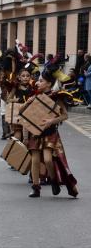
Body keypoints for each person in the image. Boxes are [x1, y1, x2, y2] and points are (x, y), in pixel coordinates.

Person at [26, 68, 78, 198]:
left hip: (50, 133)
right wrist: (27, 104)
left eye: (41, 81)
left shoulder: (56, 97)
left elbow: (65, 116)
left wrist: (52, 121)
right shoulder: (34, 96)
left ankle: (54, 180)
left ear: (49, 84)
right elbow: (25, 116)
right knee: (35, 160)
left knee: (48, 160)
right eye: (38, 80)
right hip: (35, 133)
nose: (37, 83)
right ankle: (36, 187)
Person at [6, 69, 34, 142]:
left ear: (30, 77)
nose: (25, 78)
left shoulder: (33, 87)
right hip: (18, 111)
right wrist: (17, 100)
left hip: (29, 111)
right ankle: (16, 150)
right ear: (19, 77)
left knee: (29, 135)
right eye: (23, 76)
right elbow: (8, 100)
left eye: (27, 76)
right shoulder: (16, 87)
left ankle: (26, 147)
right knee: (18, 133)